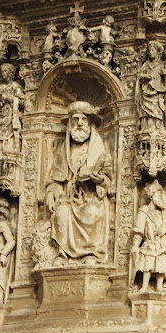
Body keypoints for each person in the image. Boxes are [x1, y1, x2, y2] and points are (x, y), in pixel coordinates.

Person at [46, 101, 114, 264]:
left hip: (91, 197)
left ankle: (91, 254)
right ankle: (62, 255)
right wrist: (51, 192)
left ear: (90, 125)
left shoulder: (99, 151)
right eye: (75, 120)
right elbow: (56, 179)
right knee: (61, 213)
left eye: (84, 120)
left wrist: (99, 180)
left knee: (91, 212)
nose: (80, 123)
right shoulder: (64, 152)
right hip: (70, 198)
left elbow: (108, 178)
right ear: (70, 124)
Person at [130, 180, 166, 292]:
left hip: (161, 244)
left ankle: (159, 286)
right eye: (158, 194)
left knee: (161, 264)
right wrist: (135, 245)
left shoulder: (163, 213)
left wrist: (165, 230)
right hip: (150, 243)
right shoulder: (144, 211)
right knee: (147, 264)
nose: (160, 197)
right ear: (152, 196)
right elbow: (139, 230)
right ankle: (144, 285)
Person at [135, 41, 166, 132]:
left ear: (157, 52)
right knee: (146, 111)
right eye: (149, 50)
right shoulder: (145, 65)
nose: (151, 52)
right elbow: (139, 76)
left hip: (158, 91)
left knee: (157, 111)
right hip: (146, 91)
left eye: (152, 50)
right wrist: (145, 76)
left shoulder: (162, 65)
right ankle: (146, 127)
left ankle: (158, 128)